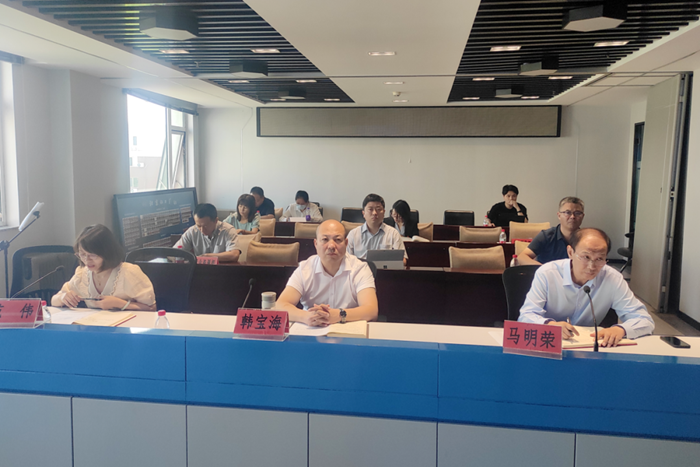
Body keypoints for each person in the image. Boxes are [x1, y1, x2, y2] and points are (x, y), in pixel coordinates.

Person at [519, 228, 654, 346]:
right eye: (585, 257)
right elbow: (526, 315)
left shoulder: (612, 278)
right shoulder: (548, 273)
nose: (591, 266)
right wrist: (550, 325)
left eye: (599, 259)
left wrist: (620, 329)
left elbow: (644, 320)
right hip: (548, 343)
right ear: (570, 252)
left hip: (588, 346)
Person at [276, 220, 378, 326]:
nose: (331, 246)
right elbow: (280, 305)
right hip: (311, 329)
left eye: (338, 240)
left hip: (348, 329)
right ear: (316, 244)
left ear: (346, 243)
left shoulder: (360, 269)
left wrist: (339, 315)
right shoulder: (304, 269)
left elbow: (371, 310)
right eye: (325, 239)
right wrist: (307, 316)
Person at [51, 224, 156, 311]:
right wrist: (62, 298)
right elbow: (54, 300)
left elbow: (152, 308)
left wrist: (121, 304)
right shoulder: (81, 274)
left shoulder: (129, 273)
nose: (87, 260)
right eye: (82, 254)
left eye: (93, 255)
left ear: (107, 253)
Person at [519, 196, 584, 265]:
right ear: (559, 215)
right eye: (567, 212)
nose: (572, 217)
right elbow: (522, 257)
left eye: (577, 213)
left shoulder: (586, 239)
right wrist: (544, 269)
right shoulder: (546, 236)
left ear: (582, 216)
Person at [346, 193, 407, 264]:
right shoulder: (353, 234)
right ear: (363, 213)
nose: (374, 213)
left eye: (378, 209)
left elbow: (403, 260)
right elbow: (345, 260)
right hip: (359, 270)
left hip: (385, 270)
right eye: (370, 209)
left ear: (384, 212)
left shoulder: (393, 233)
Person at [174, 203, 240, 262]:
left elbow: (234, 255)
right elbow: (173, 253)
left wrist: (207, 257)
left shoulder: (228, 230)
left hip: (222, 269)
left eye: (205, 226)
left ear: (216, 220)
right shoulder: (192, 231)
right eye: (199, 226)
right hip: (200, 270)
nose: (202, 230)